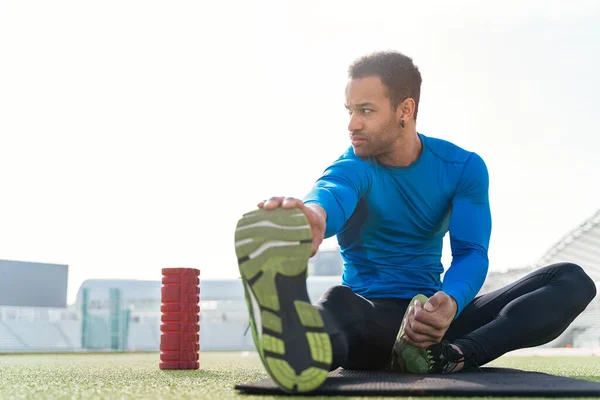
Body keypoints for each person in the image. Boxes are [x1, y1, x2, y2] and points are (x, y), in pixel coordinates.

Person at [233, 51, 597, 394]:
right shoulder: (353, 166)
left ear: (405, 109)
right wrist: (311, 218)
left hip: (435, 322)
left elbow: (471, 252)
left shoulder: (461, 167)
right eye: (349, 110)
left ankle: (456, 357)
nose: (352, 124)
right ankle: (299, 339)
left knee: (570, 279)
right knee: (343, 307)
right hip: (372, 316)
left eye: (365, 110)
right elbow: (330, 193)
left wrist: (450, 302)